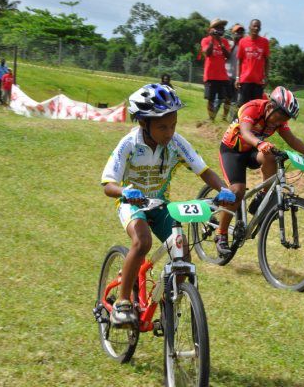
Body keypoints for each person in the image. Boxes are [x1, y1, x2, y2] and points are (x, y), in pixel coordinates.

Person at [101, 83, 235, 327]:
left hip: (161, 204)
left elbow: (203, 170)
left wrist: (223, 190)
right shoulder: (129, 144)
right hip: (132, 204)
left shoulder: (176, 143)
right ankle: (122, 303)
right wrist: (125, 191)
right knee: (142, 242)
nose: (169, 132)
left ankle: (172, 299)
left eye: (173, 125)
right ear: (144, 123)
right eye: (162, 127)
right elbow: (108, 185)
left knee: (182, 252)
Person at [215, 86, 304, 256]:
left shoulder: (278, 119)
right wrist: (260, 143)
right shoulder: (253, 108)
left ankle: (263, 194)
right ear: (271, 106)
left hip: (251, 151)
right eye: (280, 116)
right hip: (232, 151)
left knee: (271, 157)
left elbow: (291, 139)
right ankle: (221, 234)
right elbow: (245, 131)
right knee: (237, 191)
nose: (279, 122)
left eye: (285, 119)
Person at [201, 18, 231, 121]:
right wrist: (213, 40)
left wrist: (219, 42)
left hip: (222, 76)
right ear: (211, 29)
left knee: (225, 98)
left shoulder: (225, 42)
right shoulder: (205, 40)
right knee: (211, 99)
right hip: (210, 75)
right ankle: (211, 118)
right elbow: (207, 53)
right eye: (218, 28)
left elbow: (228, 55)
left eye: (222, 28)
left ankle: (223, 117)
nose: (220, 30)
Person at [235, 19, 269, 107]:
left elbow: (267, 60)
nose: (256, 28)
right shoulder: (243, 41)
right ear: (250, 27)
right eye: (254, 26)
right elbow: (239, 60)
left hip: (258, 81)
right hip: (245, 80)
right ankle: (238, 121)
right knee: (242, 106)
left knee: (256, 107)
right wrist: (238, 77)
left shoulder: (264, 42)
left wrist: (266, 77)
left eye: (258, 26)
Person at [223, 23, 245, 121]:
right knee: (227, 99)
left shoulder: (244, 46)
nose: (239, 34)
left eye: (241, 32)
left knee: (235, 101)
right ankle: (224, 117)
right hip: (228, 76)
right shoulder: (229, 44)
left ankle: (232, 119)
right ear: (233, 33)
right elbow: (226, 56)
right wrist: (234, 44)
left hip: (238, 78)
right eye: (237, 32)